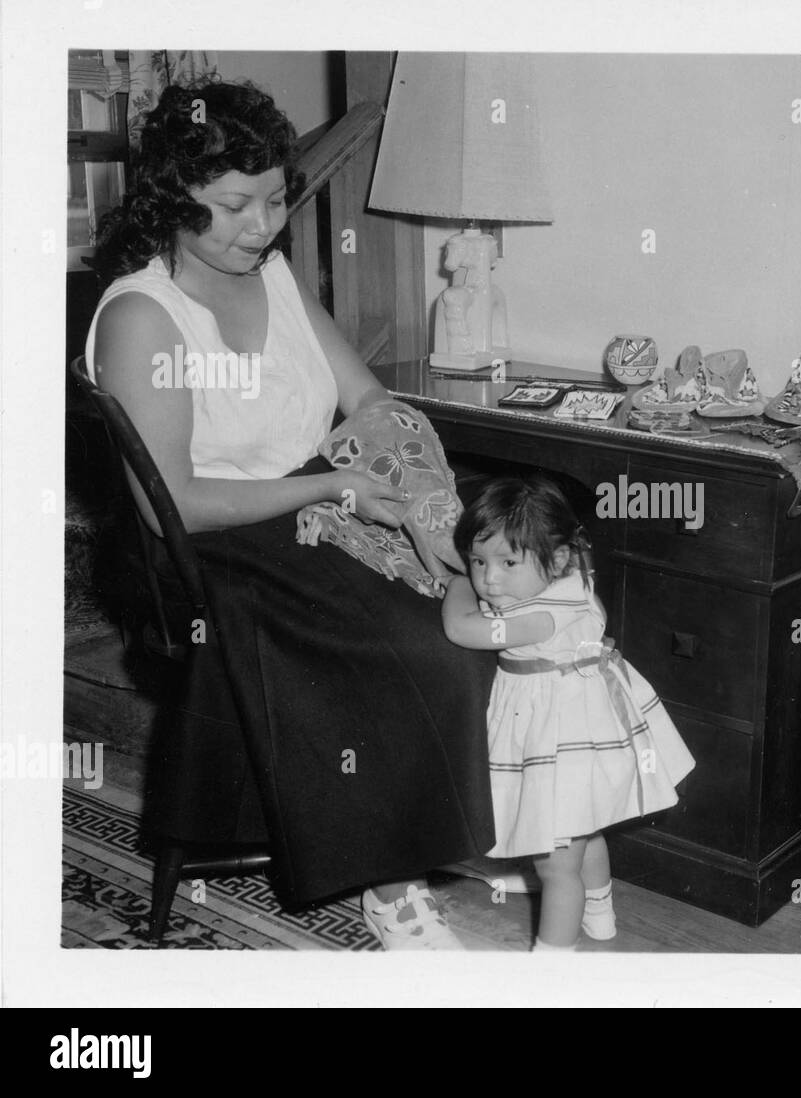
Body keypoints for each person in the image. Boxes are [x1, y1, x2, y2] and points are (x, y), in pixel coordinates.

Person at [86, 77, 498, 949]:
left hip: (311, 499)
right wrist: (331, 491)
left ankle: (413, 824)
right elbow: (179, 507)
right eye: (234, 205)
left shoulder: (270, 274)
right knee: (408, 642)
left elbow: (367, 397)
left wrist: (418, 497)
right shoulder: (140, 316)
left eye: (274, 197)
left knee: (470, 608)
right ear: (173, 199)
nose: (263, 225)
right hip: (207, 542)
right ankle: (390, 884)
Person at [442, 474, 696, 950]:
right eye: (477, 561)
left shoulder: (539, 616)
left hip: (559, 742)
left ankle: (553, 965)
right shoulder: (570, 583)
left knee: (555, 865)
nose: (488, 578)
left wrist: (456, 582)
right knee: (585, 829)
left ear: (555, 559)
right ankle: (600, 914)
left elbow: (462, 629)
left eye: (507, 562)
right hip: (578, 736)